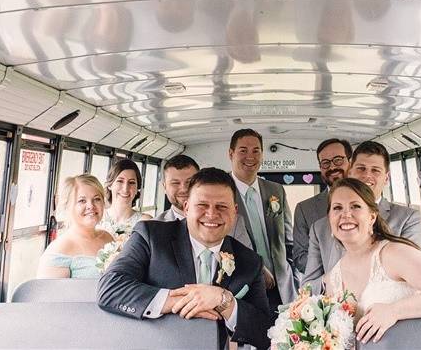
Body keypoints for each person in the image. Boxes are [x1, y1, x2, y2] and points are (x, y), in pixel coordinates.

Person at [97, 168, 271, 350]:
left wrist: (224, 301)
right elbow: (110, 287)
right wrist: (179, 300)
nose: (211, 214)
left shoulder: (250, 261)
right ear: (186, 207)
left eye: (221, 206)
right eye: (202, 205)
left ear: (234, 212)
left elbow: (264, 333)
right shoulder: (150, 237)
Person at [324, 178, 421, 344]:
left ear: (372, 217)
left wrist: (394, 311)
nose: (346, 215)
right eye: (337, 208)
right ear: (330, 218)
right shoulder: (331, 279)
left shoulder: (393, 254)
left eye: (355, 206)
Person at [302, 141, 421, 289]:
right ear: (350, 172)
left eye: (375, 170)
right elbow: (308, 288)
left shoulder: (408, 219)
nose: (367, 175)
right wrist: (333, 278)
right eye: (361, 169)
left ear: (386, 178)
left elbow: (418, 274)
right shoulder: (320, 228)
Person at [227, 128, 296, 314]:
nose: (250, 156)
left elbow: (289, 239)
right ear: (231, 153)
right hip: (244, 287)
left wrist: (295, 276)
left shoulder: (276, 190)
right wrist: (258, 268)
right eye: (243, 150)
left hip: (282, 286)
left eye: (256, 151)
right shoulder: (221, 191)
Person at [293, 138, 353, 274]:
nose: (332, 167)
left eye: (338, 160)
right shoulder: (304, 209)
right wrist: (336, 275)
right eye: (325, 163)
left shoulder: (370, 201)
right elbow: (300, 258)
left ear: (351, 161)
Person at [37, 174, 114, 279]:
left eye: (97, 199)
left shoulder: (108, 238)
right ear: (68, 206)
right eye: (82, 201)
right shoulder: (60, 249)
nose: (91, 206)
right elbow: (49, 294)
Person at [100, 159, 152, 236]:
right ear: (110, 185)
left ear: (137, 188)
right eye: (120, 181)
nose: (125, 189)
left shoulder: (146, 222)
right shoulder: (98, 218)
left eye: (131, 182)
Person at [155, 154, 200, 222]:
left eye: (190, 182)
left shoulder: (219, 222)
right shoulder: (152, 229)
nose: (184, 189)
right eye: (175, 183)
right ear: (165, 188)